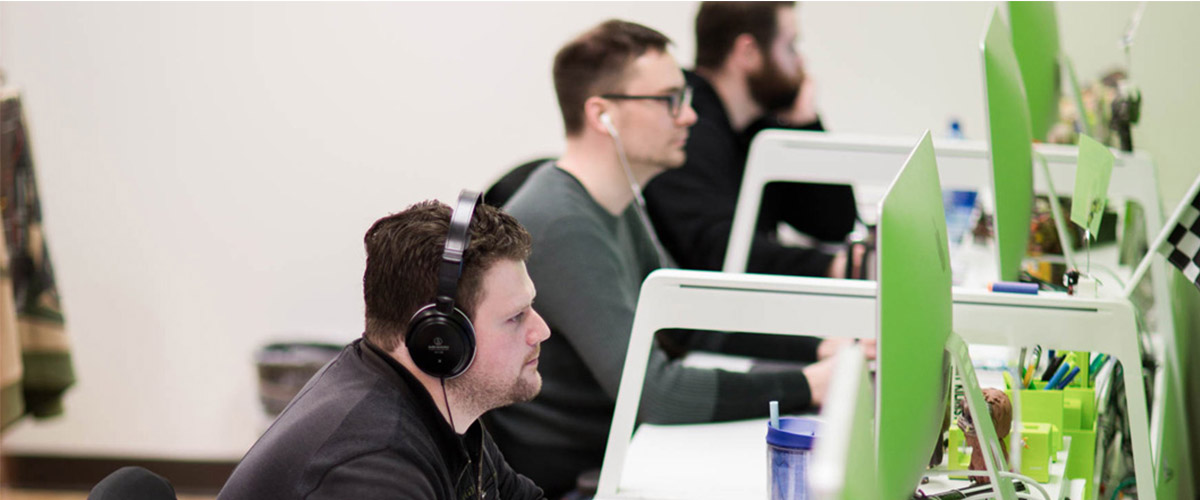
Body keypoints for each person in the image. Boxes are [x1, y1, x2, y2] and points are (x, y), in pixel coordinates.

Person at [486, 20, 855, 498]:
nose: (690, 117)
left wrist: (816, 347)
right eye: (669, 101)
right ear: (604, 116)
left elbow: (685, 321)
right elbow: (656, 393)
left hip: (628, 445)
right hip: (582, 471)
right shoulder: (562, 221)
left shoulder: (616, 201)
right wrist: (809, 385)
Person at [218, 193, 548, 500]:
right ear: (442, 340)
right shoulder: (374, 466)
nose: (541, 331)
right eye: (516, 317)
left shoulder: (442, 406)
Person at [643, 2, 862, 278]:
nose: (800, 63)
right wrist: (832, 267)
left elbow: (833, 224)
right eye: (790, 47)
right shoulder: (685, 130)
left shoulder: (756, 130)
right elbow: (718, 250)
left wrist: (805, 122)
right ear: (748, 52)